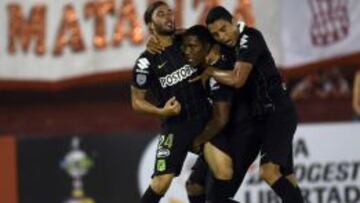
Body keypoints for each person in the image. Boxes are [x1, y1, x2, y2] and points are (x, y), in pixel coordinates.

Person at [199, 6, 304, 203]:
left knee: (269, 172)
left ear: (233, 22)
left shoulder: (250, 37)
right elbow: (192, 40)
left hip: (277, 113)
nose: (221, 36)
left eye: (223, 29)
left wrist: (210, 72)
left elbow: (238, 79)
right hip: (257, 119)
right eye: (215, 34)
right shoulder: (226, 48)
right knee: (285, 175)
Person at [131, 2, 212, 203]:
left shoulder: (186, 42)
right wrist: (162, 111)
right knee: (160, 182)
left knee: (204, 183)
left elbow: (205, 36)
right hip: (175, 126)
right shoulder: (145, 62)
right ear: (150, 25)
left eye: (170, 12)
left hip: (207, 119)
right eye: (161, 14)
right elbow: (136, 102)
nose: (168, 16)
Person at [181, 25, 261, 203]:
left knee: (216, 198)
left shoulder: (219, 71)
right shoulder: (210, 58)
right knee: (194, 186)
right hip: (222, 135)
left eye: (192, 47)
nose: (187, 52)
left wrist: (197, 141)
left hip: (242, 136)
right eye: (185, 47)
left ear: (208, 47)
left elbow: (221, 118)